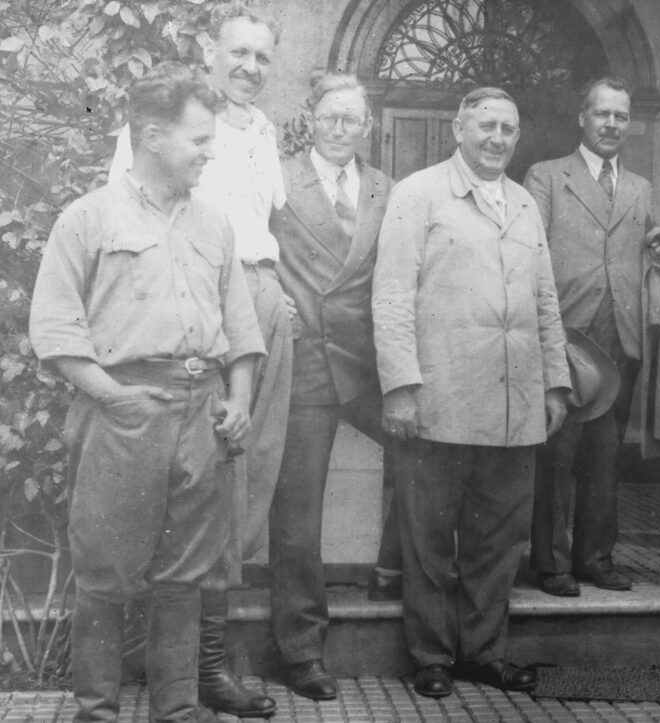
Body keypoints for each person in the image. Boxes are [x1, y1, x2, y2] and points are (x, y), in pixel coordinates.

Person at [29, 62, 265, 723]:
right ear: (154, 135)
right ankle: (97, 710)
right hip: (122, 409)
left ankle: (178, 708)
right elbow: (54, 327)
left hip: (203, 412)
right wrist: (114, 397)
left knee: (185, 575)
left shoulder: (215, 224)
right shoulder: (88, 218)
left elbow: (240, 325)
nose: (209, 151)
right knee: (105, 573)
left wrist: (239, 398)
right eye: (199, 139)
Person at [109, 3, 289, 717]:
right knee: (199, 493)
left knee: (245, 493)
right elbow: (127, 215)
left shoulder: (263, 133)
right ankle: (190, 673)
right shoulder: (167, 123)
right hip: (200, 311)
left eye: (262, 57)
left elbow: (266, 230)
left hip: (260, 308)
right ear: (208, 53)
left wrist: (279, 295)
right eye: (237, 53)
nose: (249, 67)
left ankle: (209, 667)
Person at [372, 87, 570, 699]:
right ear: (459, 127)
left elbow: (545, 301)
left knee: (499, 538)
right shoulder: (418, 194)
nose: (498, 139)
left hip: (513, 404)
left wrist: (555, 383)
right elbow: (391, 296)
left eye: (509, 129)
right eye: (486, 125)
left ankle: (483, 653)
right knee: (430, 536)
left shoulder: (522, 204)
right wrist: (401, 386)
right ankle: (431, 655)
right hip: (440, 398)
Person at [267, 71, 396, 700]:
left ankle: (399, 579)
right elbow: (249, 254)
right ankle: (302, 651)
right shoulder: (277, 178)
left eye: (353, 120)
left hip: (367, 360)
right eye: (331, 117)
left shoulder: (384, 189)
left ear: (368, 127)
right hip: (309, 362)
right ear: (311, 120)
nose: (342, 129)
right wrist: (271, 302)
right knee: (298, 513)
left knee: (426, 459)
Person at [524, 76, 660, 597]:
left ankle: (595, 558)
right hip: (566, 333)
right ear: (582, 118)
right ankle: (552, 562)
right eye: (602, 114)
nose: (611, 125)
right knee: (557, 455)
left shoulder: (640, 187)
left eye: (621, 117)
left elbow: (650, 253)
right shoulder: (546, 176)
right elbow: (530, 253)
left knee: (605, 456)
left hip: (619, 336)